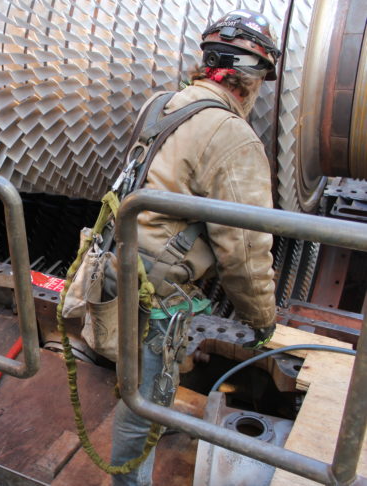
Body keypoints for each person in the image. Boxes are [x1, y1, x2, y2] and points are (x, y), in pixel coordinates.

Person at [110, 10, 280, 485]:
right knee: (140, 405)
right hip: (157, 295)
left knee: (137, 387)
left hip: (119, 266)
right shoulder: (232, 135)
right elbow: (244, 251)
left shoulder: (161, 103)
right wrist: (262, 320)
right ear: (250, 81)